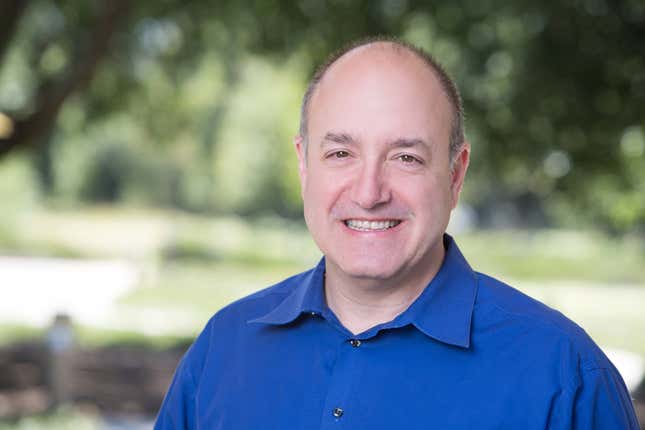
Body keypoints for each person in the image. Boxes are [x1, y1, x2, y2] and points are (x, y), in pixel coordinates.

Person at [155, 38, 639, 429]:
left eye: (406, 157)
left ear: (455, 174)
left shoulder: (564, 374)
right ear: (304, 164)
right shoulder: (224, 347)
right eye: (341, 154)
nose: (369, 193)